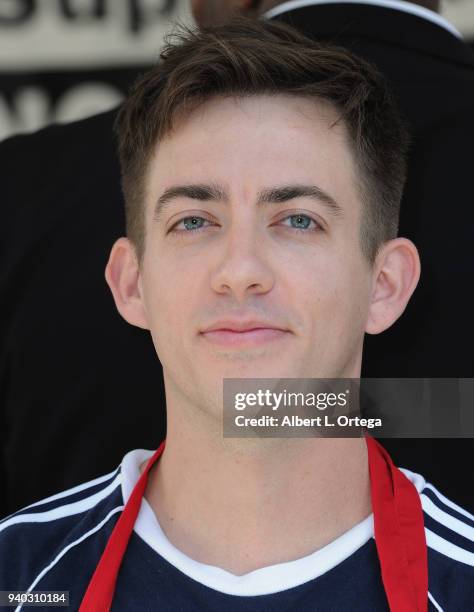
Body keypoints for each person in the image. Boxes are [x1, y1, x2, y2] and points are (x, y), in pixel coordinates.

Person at [1, 18, 473, 611]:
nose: (241, 268)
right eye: (194, 221)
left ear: (385, 285)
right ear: (131, 283)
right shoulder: (16, 576)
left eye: (298, 219)